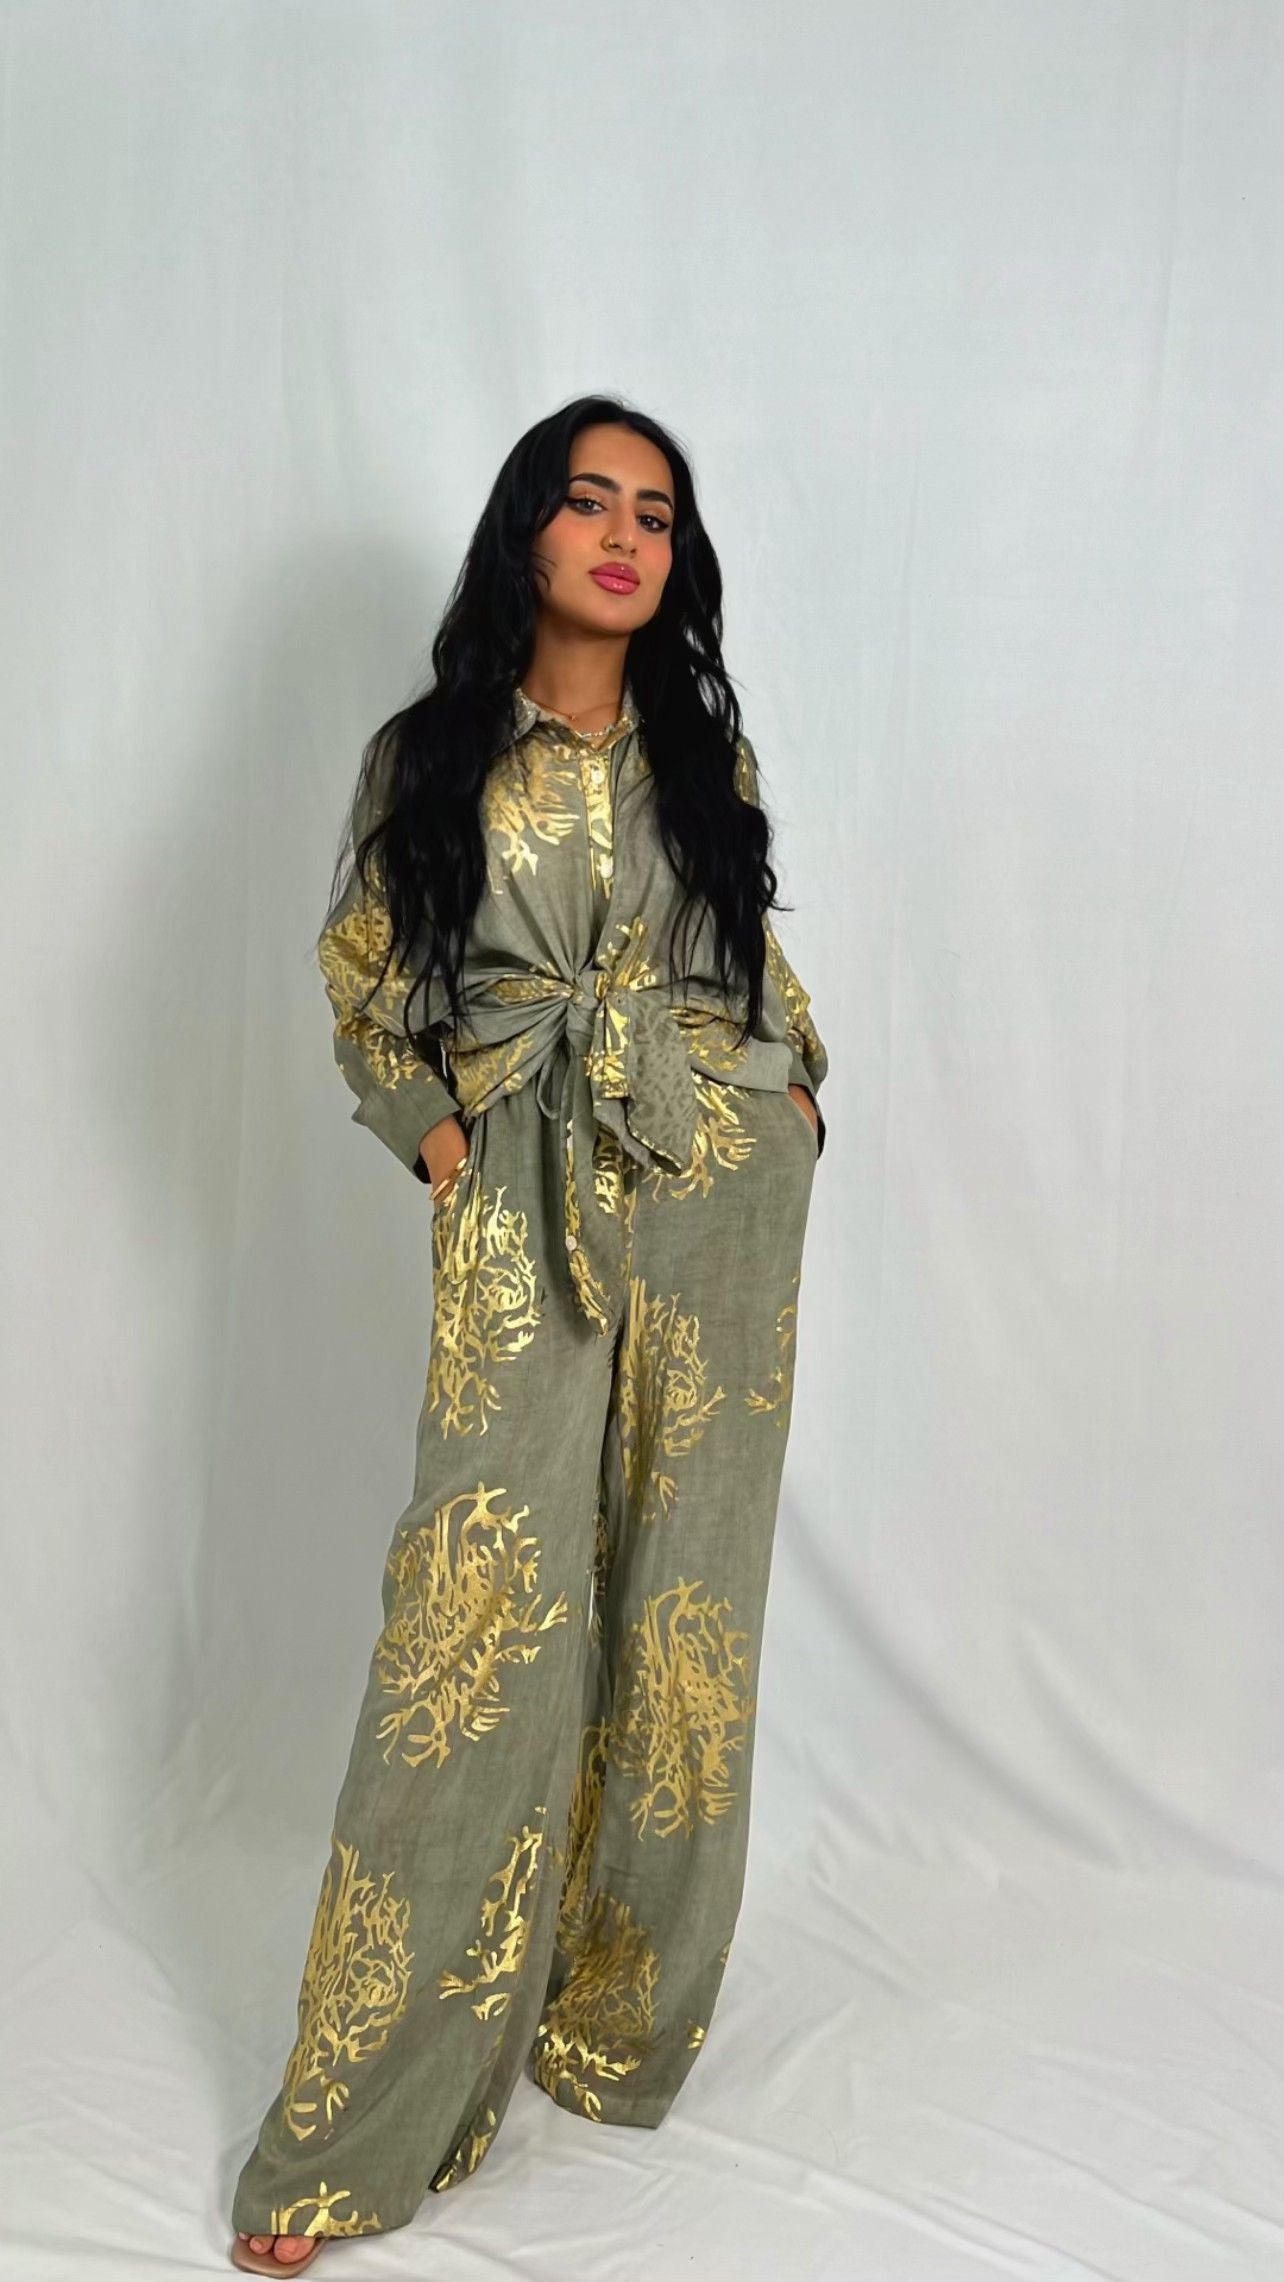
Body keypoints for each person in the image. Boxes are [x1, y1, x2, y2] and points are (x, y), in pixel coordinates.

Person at [230, 393, 828, 2273]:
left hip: (715, 1189)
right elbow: (363, 976)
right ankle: (366, 2114)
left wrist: (798, 1089)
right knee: (475, 1614)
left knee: (685, 1596)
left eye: (657, 512)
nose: (626, 535)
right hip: (524, 1182)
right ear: (529, 532)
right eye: (591, 501)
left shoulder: (702, 750)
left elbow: (749, 950)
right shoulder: (431, 754)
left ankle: (615, 2021)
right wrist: (429, 1129)